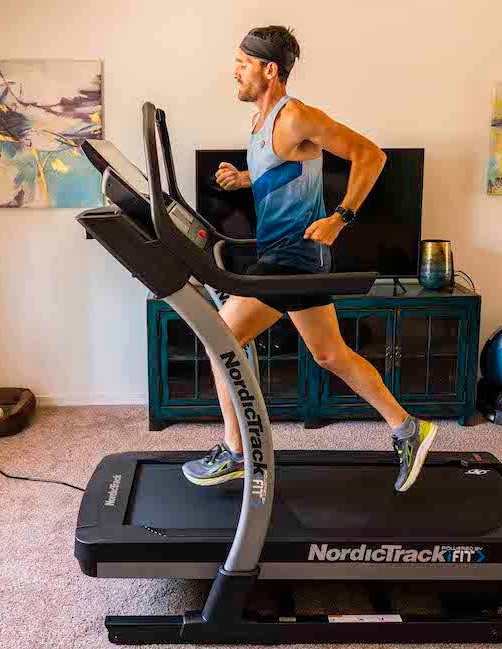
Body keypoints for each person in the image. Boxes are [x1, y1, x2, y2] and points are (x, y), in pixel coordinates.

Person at [182, 25, 438, 492]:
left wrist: (341, 217)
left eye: (243, 63)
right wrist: (243, 179)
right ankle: (409, 428)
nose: (234, 72)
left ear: (269, 69)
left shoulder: (296, 115)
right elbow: (287, 172)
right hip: (287, 255)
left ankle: (236, 452)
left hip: (293, 258)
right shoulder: (261, 122)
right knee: (330, 354)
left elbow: (371, 155)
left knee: (220, 337)